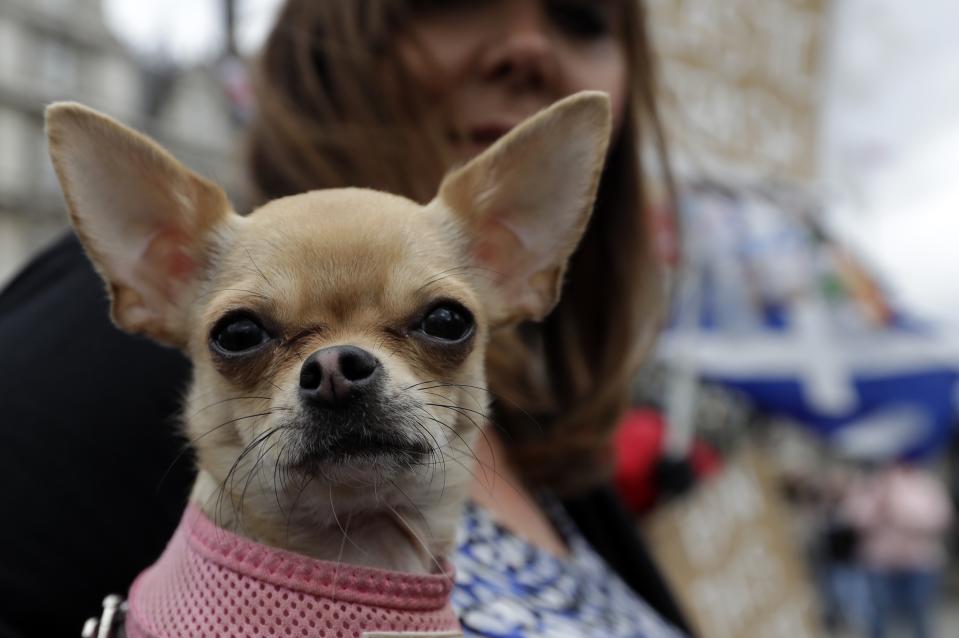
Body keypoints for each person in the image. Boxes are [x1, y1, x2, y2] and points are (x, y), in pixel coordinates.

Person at [0, 1, 688, 636]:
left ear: (514, 259)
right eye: (245, 337)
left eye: (439, 325)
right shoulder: (83, 358)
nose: (337, 368)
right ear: (158, 274)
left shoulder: (554, 439)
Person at [844, 462, 953, 638]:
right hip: (878, 562)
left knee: (921, 613)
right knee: (878, 614)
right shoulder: (869, 485)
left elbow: (941, 518)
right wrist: (879, 505)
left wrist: (902, 513)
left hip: (920, 561)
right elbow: (855, 520)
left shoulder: (926, 484)